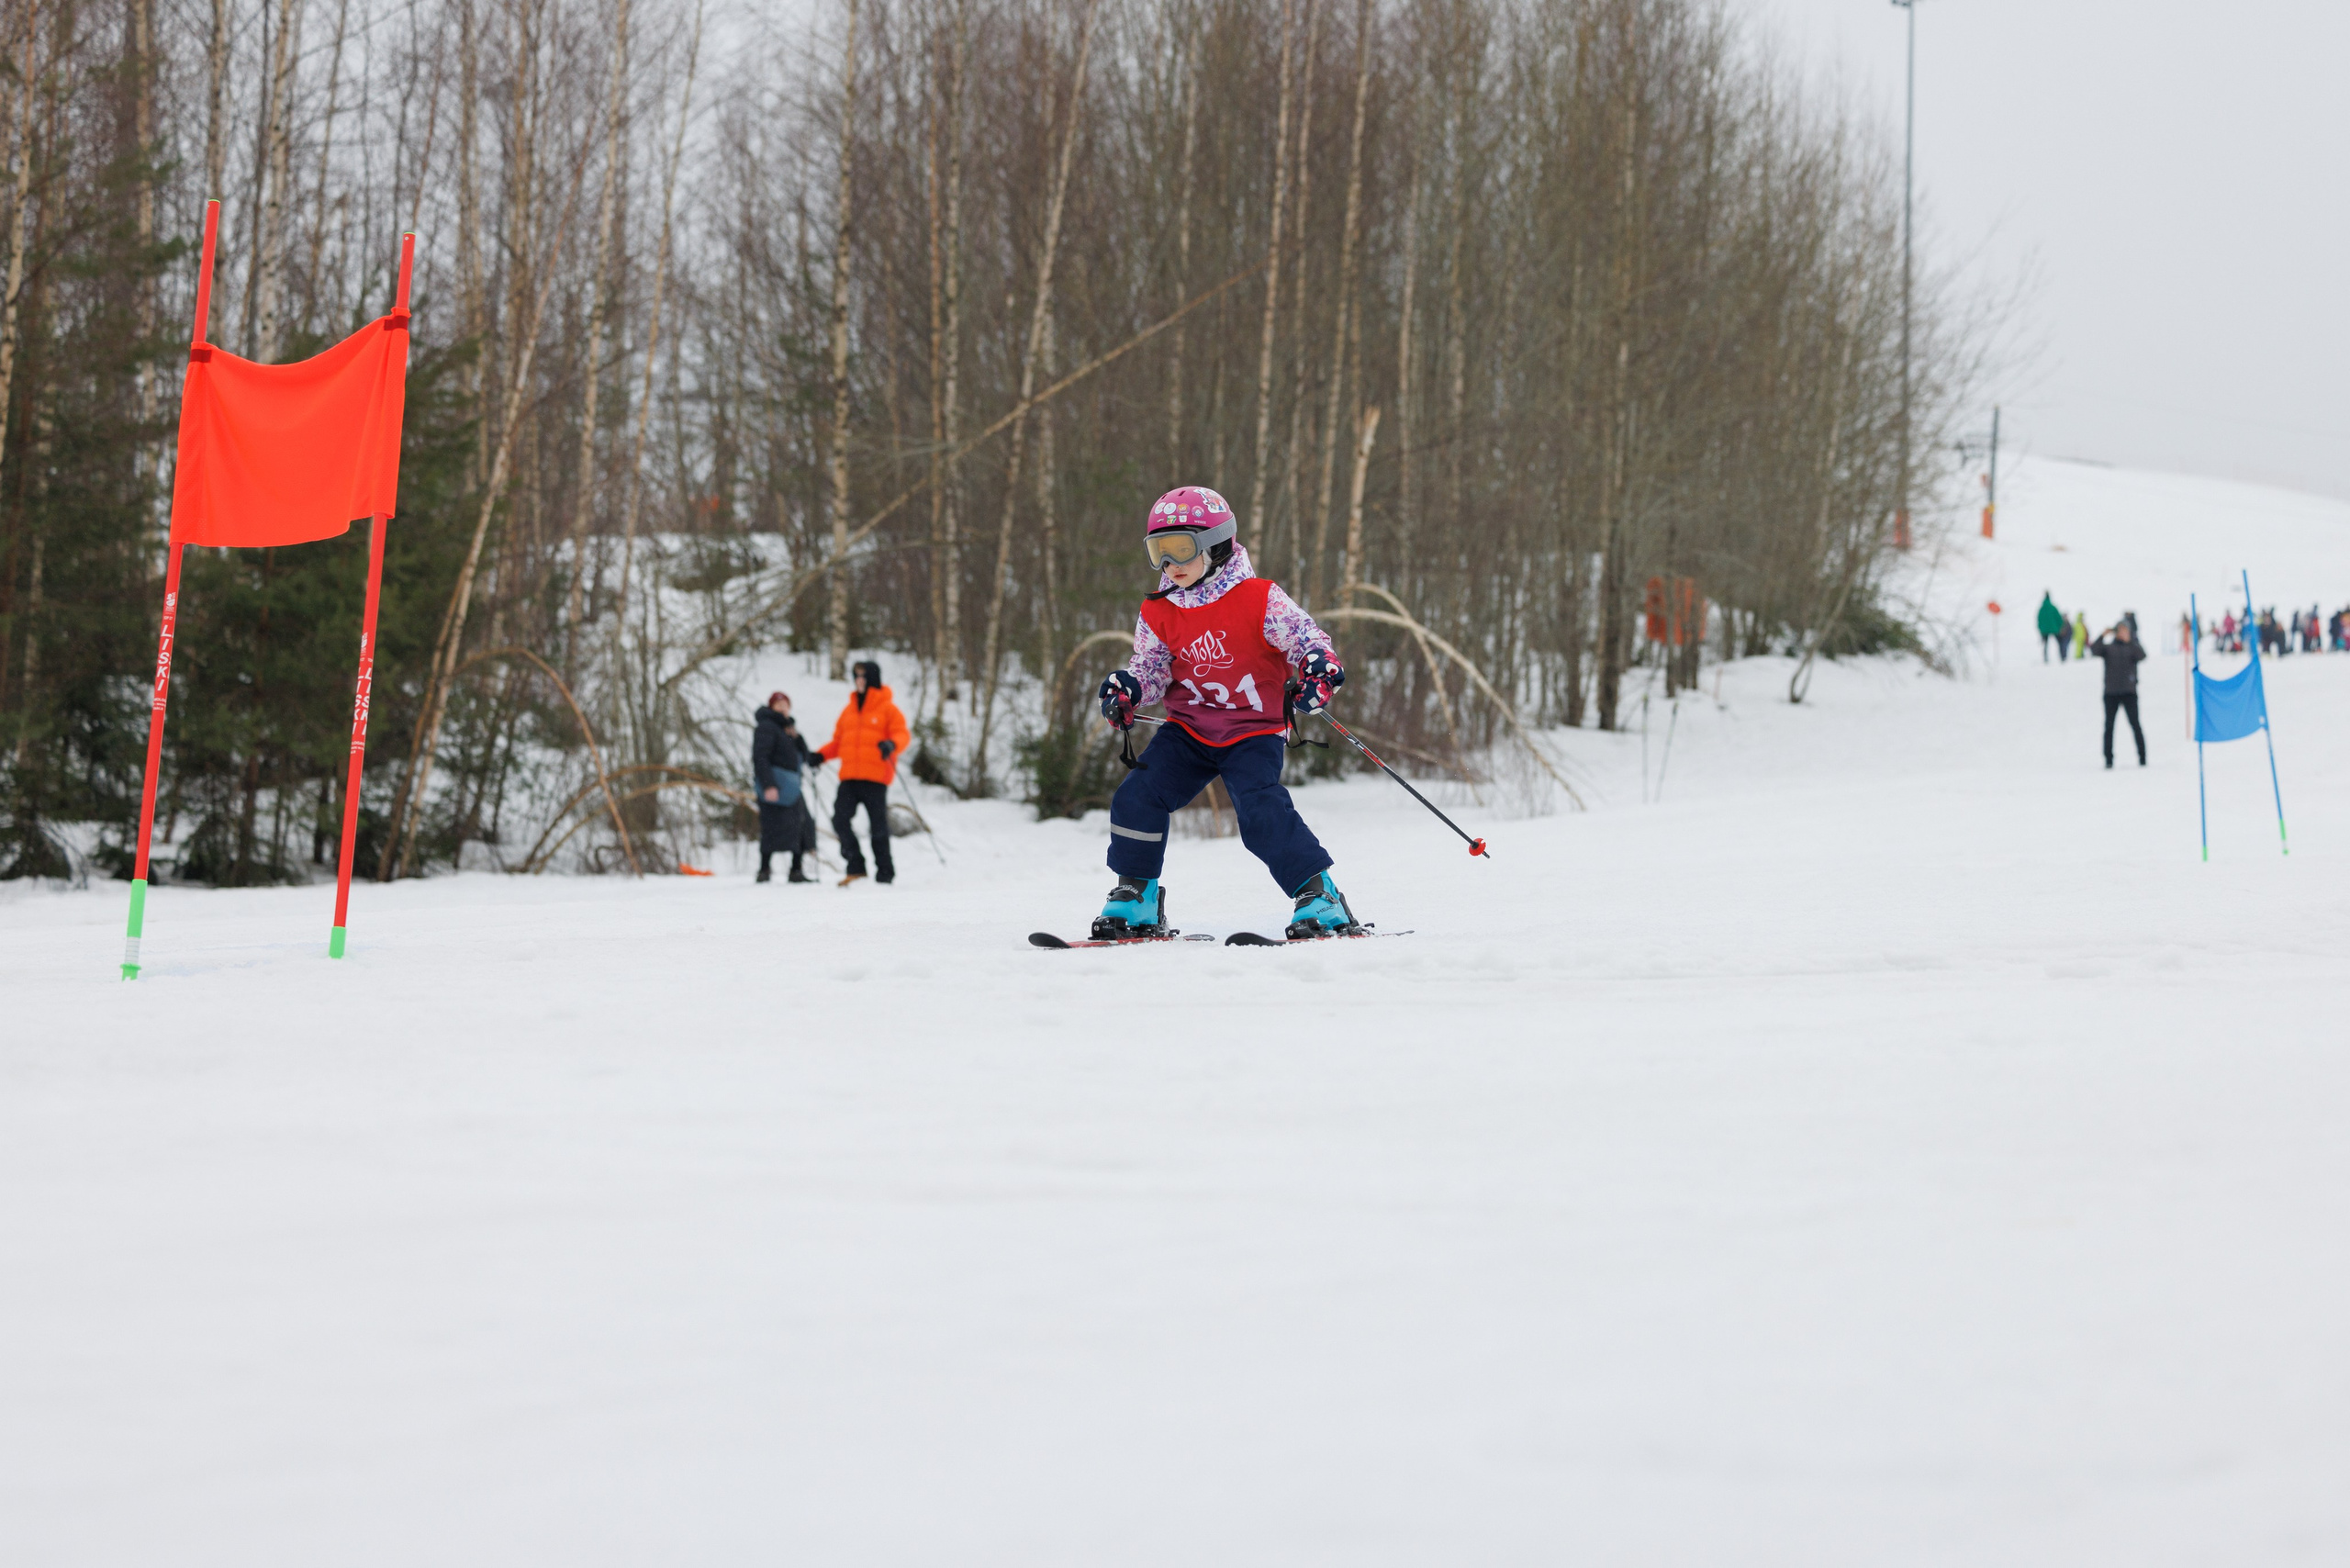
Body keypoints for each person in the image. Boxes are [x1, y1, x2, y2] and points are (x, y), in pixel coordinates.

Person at [1092, 484, 1358, 940]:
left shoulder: (1259, 599)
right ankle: (1136, 895)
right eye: (1158, 552)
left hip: (1252, 731)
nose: (1168, 565)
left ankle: (1320, 895)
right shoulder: (1158, 610)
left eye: (1179, 549)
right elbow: (1152, 667)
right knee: (1137, 797)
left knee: (1259, 811)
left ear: (1215, 545)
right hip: (1189, 730)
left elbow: (1308, 641)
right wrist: (1131, 689)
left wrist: (1319, 671)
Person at [819, 659, 911, 886]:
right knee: (840, 819)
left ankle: (885, 873)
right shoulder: (848, 711)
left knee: (878, 826)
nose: (859, 681)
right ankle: (856, 866)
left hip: (876, 777)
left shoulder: (888, 709)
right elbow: (838, 743)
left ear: (872, 679)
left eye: (863, 676)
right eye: (856, 676)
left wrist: (891, 744)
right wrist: (820, 755)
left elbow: (902, 735)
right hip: (849, 776)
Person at [751, 691, 817, 883]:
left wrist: (797, 738)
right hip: (774, 784)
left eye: (785, 704)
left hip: (791, 786)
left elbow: (805, 756)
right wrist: (769, 784)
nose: (782, 707)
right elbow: (760, 757)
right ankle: (764, 870)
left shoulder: (788, 729)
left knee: (803, 824)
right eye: (778, 704)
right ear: (771, 707)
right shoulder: (766, 726)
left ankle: (796, 870)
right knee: (771, 826)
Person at [2089, 621, 2147, 768]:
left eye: (2125, 631)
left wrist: (2132, 640)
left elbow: (2143, 655)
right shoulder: (2109, 648)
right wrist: (2103, 635)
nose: (2123, 633)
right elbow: (2094, 650)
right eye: (2120, 630)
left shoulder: (2132, 648)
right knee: (2109, 726)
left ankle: (2143, 757)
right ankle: (2108, 759)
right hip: (2111, 693)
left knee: (2135, 725)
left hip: (2129, 692)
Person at [2036, 591, 2066, 662]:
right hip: (2054, 629)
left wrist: (2040, 629)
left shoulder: (2041, 609)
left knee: (2046, 645)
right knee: (2059, 643)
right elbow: (2059, 618)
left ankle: (2045, 658)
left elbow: (2039, 620)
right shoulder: (2053, 607)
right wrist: (2061, 626)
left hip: (2044, 630)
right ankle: (2062, 657)